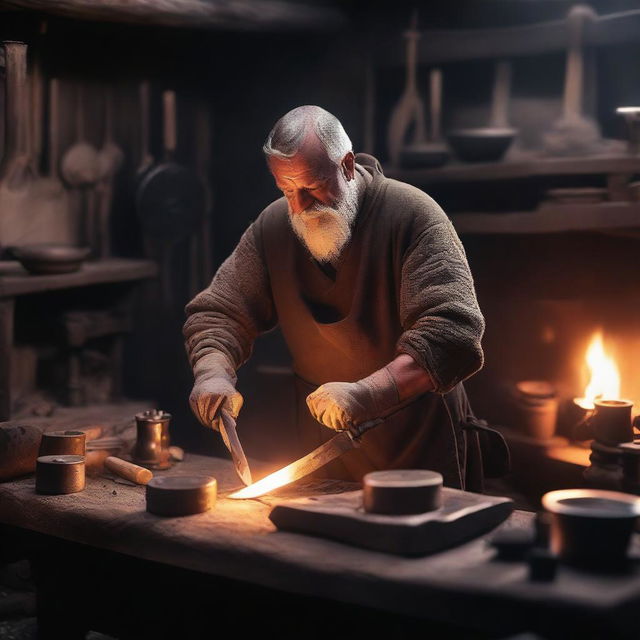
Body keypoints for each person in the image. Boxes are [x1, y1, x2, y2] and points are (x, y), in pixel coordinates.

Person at [183, 105, 490, 489]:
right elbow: (221, 313)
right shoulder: (274, 226)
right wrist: (212, 374)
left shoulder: (412, 215)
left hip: (416, 444)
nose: (299, 207)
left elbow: (452, 333)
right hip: (322, 451)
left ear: (346, 165)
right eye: (286, 190)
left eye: (311, 188)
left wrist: (367, 394)